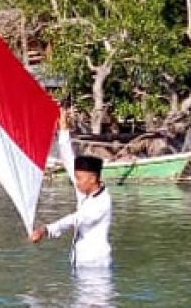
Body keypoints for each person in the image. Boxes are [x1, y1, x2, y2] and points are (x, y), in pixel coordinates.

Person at [30, 110, 112, 269]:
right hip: (80, 264)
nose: (77, 182)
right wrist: (63, 130)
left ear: (93, 179)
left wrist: (46, 230)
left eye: (80, 179)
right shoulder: (85, 192)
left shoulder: (103, 202)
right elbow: (68, 159)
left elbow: (76, 219)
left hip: (97, 268)